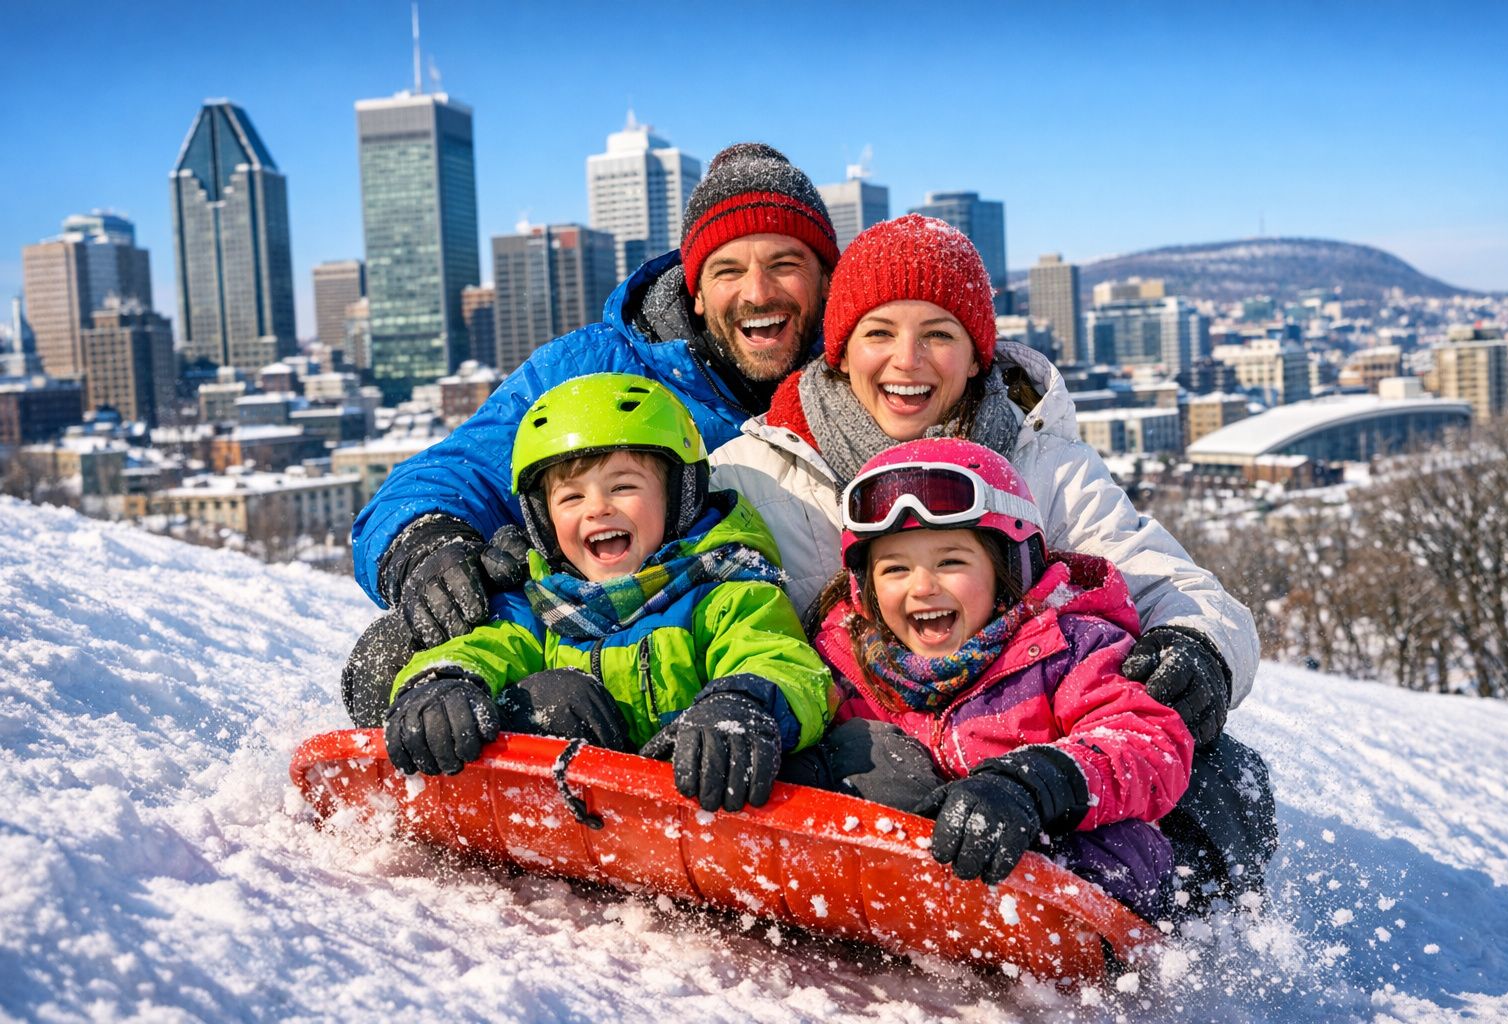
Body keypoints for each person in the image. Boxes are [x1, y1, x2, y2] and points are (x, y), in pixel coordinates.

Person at [710, 214, 1276, 907]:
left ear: (979, 355)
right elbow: (659, 557)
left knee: (1213, 771)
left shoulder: (1044, 464)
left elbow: (1166, 581)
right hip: (863, 741)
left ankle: (1158, 934)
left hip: (1027, 738)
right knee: (879, 762)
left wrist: (1198, 645)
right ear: (840, 352)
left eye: (939, 335)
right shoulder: (759, 473)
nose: (907, 361)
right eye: (879, 334)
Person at [341, 142, 841, 724]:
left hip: (786, 665)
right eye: (728, 269)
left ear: (826, 280)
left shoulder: (870, 374)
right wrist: (431, 548)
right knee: (400, 657)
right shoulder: (594, 371)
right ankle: (494, 763)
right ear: (696, 292)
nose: (758, 292)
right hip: (604, 652)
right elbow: (458, 472)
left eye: (785, 264)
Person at [379, 373, 832, 815]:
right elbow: (485, 646)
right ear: (543, 521)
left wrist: (742, 704)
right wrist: (444, 683)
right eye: (571, 498)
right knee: (555, 696)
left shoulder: (724, 593)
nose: (597, 508)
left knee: (813, 761)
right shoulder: (540, 604)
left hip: (693, 797)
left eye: (623, 487)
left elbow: (777, 656)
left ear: (678, 496)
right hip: (572, 812)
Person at [794, 438, 1192, 917]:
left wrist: (1037, 784)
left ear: (1010, 568)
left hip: (1058, 872)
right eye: (895, 568)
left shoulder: (1069, 648)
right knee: (868, 747)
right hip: (916, 879)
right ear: (867, 589)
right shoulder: (851, 661)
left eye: (951, 562)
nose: (922, 587)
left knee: (1125, 836)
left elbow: (1147, 741)